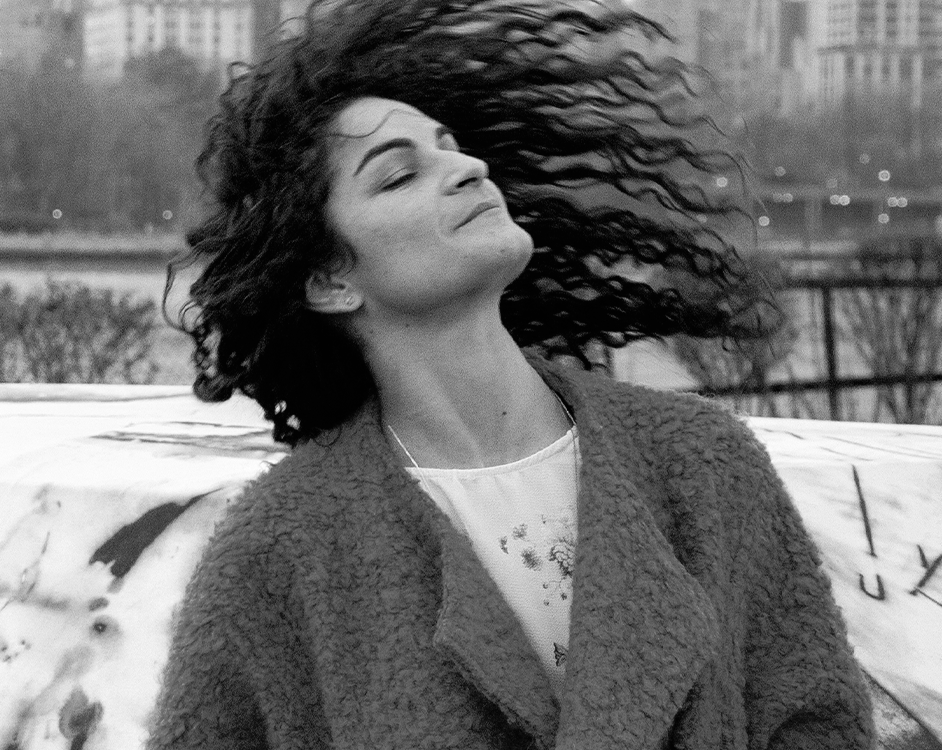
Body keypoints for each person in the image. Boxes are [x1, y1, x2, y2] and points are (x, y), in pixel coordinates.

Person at [149, 0, 875, 747]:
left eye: (451, 146)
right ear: (329, 280)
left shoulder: (702, 462)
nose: (467, 168)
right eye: (399, 176)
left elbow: (818, 722)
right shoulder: (277, 551)